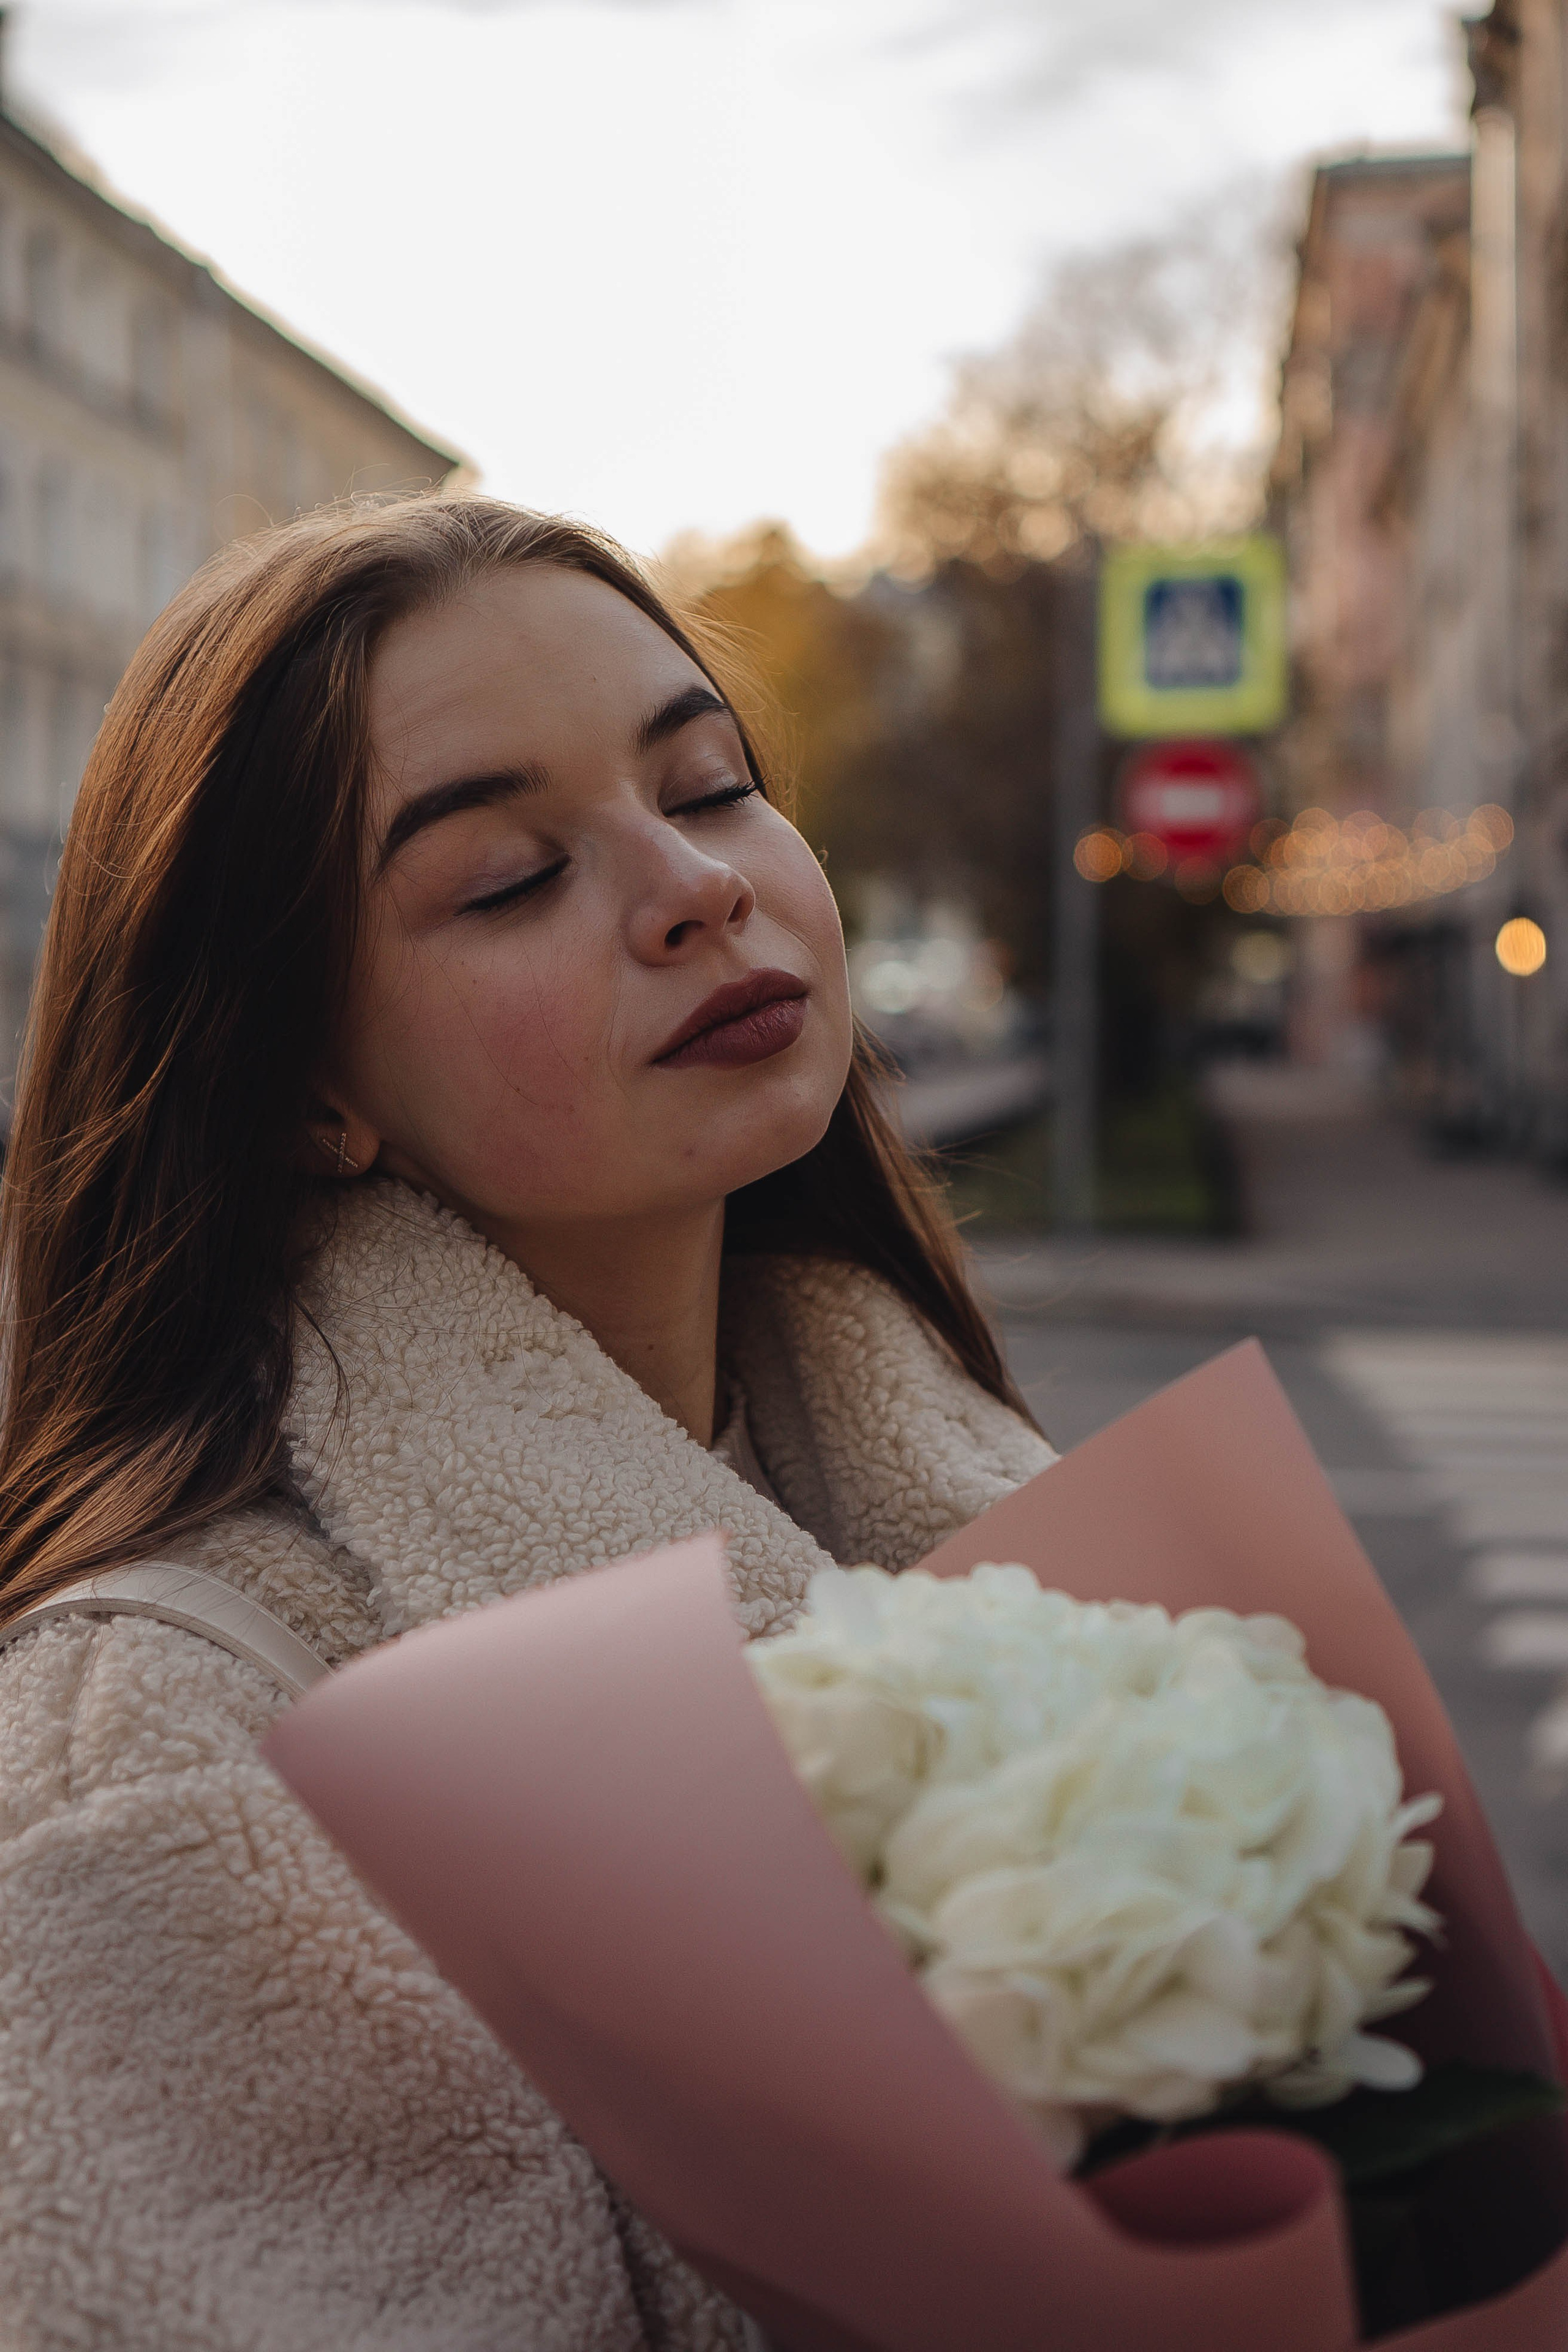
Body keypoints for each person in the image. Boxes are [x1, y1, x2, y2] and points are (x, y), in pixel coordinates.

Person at [0, 495, 1052, 2349]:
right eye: (505, 878)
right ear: (305, 1087)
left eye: (711, 784)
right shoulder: (154, 1743)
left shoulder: (984, 1511)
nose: (696, 885)